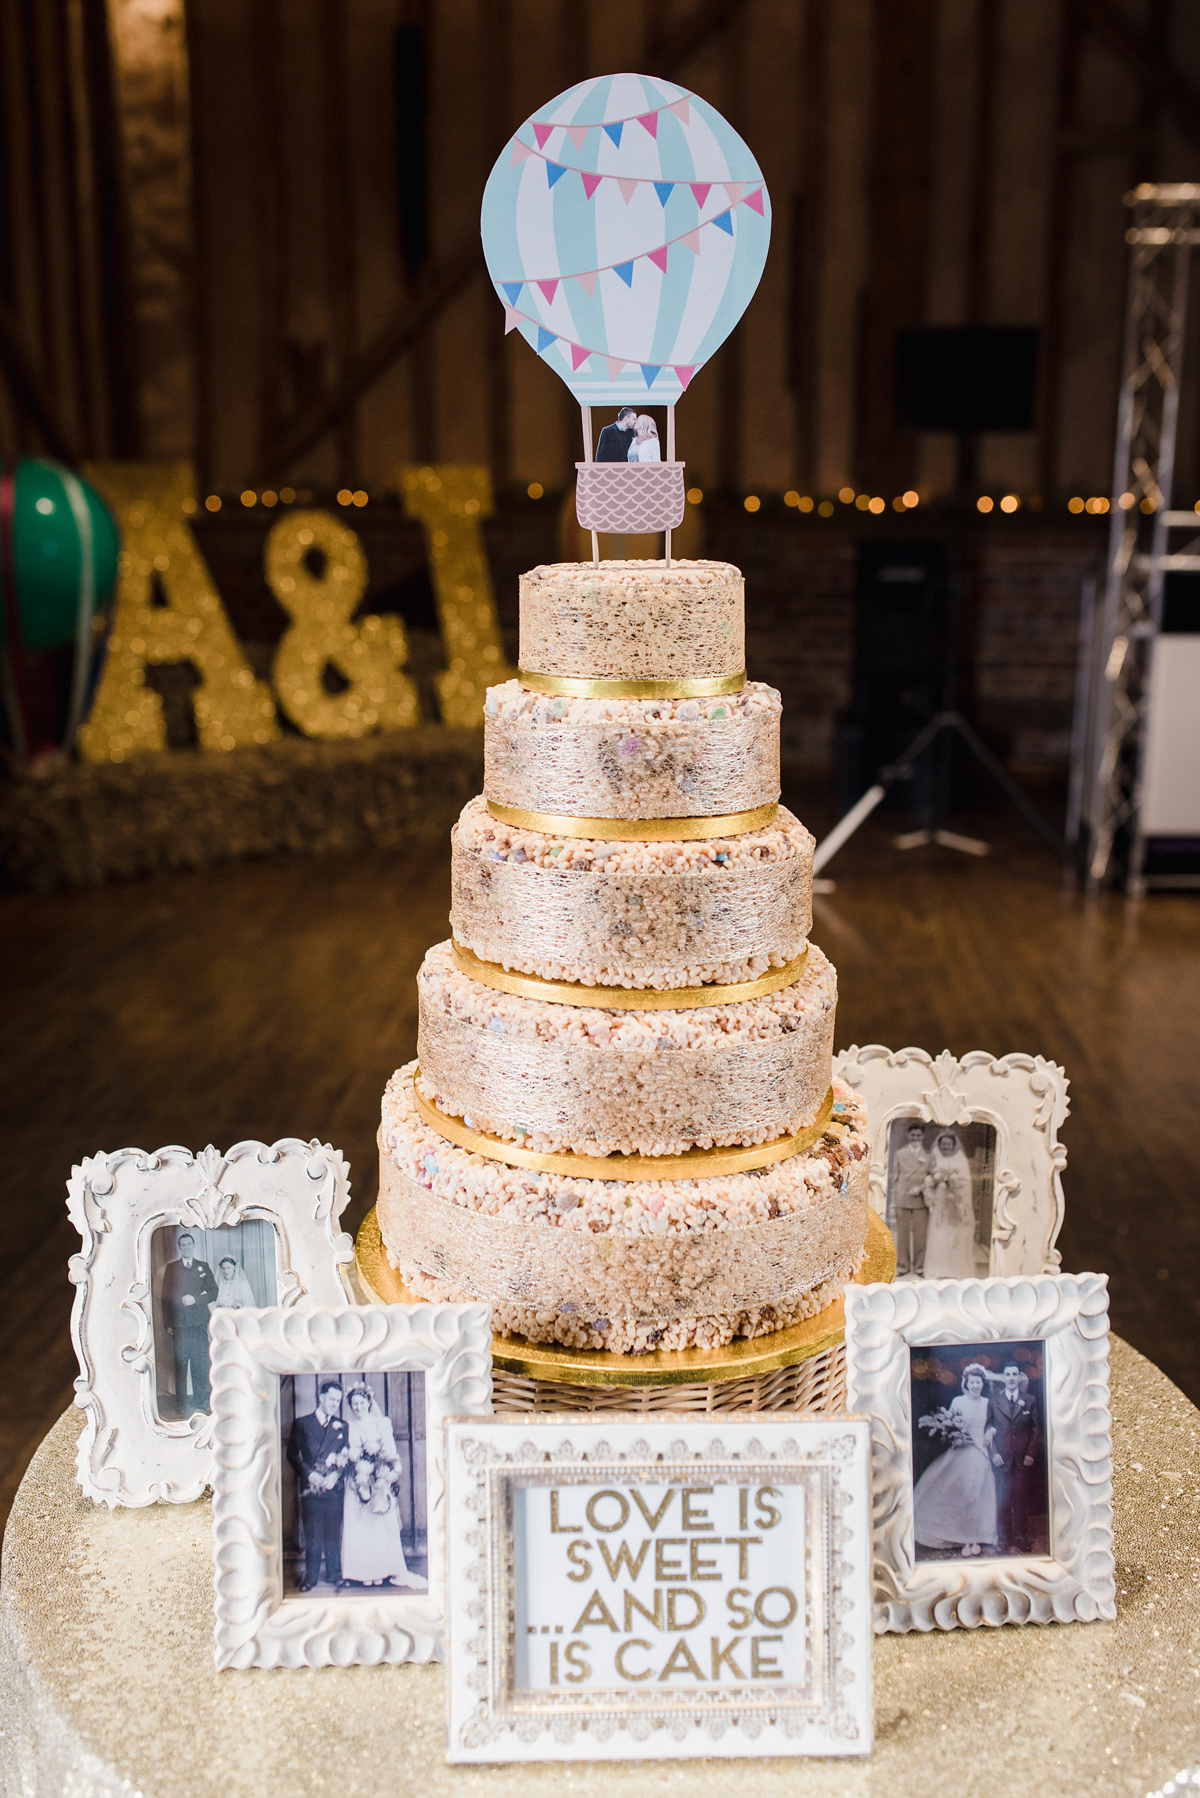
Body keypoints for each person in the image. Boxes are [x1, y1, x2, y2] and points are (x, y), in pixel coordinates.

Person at [341, 1385, 421, 1588]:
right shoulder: (348, 1426)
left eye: (361, 1403)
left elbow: (391, 1452)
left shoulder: (381, 1424)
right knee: (358, 1525)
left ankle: (381, 1571)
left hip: (378, 1479)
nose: (358, 1407)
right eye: (354, 1404)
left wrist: (379, 1467)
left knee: (377, 1525)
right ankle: (360, 1573)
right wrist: (355, 1462)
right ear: (350, 1406)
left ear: (369, 1403)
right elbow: (347, 1451)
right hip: (356, 1481)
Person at [913, 1364, 997, 1557]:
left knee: (977, 1495)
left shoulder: (987, 1403)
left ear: (982, 1384)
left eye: (979, 1382)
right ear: (966, 1384)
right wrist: (957, 1437)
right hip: (961, 1451)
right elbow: (949, 1427)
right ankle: (960, 1537)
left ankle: (975, 1537)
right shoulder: (958, 1401)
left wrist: (990, 1433)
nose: (976, 1386)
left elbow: (992, 1423)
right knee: (958, 1493)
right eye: (972, 1382)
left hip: (980, 1452)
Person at [287, 1381, 349, 1591]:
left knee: (333, 1533)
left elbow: (345, 1457)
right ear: (320, 1397)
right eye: (331, 1399)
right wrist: (309, 1474)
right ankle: (310, 1578)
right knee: (313, 1534)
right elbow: (292, 1455)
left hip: (333, 1488)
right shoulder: (302, 1424)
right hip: (311, 1488)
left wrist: (336, 1475)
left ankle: (334, 1574)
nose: (334, 1404)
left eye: (338, 1401)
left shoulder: (342, 1426)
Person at [160, 1230, 218, 1414]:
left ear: (193, 1247)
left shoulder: (203, 1266)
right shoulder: (171, 1268)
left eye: (189, 1244)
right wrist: (168, 1324)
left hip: (199, 1324)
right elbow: (165, 1297)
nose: (186, 1248)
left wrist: (195, 1299)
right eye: (183, 1245)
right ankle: (182, 1404)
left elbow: (213, 1291)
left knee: (200, 1363)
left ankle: (202, 1401)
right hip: (180, 1325)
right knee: (181, 1364)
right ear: (180, 1248)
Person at [988, 1362, 1041, 1552]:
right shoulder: (994, 1400)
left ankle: (1020, 1538)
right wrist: (993, 1453)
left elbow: (1035, 1429)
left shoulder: (1029, 1400)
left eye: (1014, 1375)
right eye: (1008, 1374)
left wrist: (1030, 1454)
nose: (1011, 1378)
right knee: (1002, 1499)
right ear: (1003, 1377)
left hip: (1021, 1459)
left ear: (1019, 1378)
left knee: (1020, 1500)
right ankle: (1003, 1540)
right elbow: (988, 1429)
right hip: (1001, 1459)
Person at [923, 1129, 976, 1277]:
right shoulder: (935, 1159)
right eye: (943, 1144)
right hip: (940, 1199)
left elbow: (966, 1181)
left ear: (953, 1145)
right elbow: (929, 1177)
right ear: (939, 1145)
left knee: (954, 1233)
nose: (946, 1146)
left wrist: (954, 1182)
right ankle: (938, 1267)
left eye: (948, 1144)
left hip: (955, 1200)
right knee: (939, 1230)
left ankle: (955, 1268)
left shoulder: (961, 1160)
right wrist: (934, 1181)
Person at [890, 1122, 931, 1278]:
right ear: (909, 1136)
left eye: (918, 1135)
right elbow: (894, 1178)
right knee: (903, 1235)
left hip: (919, 1199)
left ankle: (919, 1266)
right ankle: (903, 1266)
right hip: (902, 1197)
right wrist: (894, 1200)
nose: (915, 1138)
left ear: (922, 1136)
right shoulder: (900, 1154)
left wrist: (920, 1188)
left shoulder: (927, 1156)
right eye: (913, 1135)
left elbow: (931, 1177)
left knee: (920, 1235)